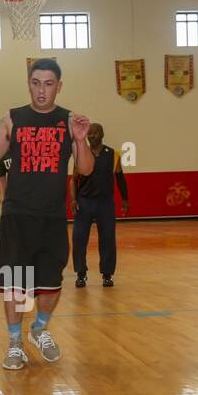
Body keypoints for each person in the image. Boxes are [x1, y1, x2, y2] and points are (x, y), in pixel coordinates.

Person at [0, 59, 91, 370]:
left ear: (58, 86)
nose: (42, 90)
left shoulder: (69, 121)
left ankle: (38, 330)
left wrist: (80, 139)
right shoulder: (13, 118)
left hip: (51, 218)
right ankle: (14, 343)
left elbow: (85, 168)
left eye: (49, 84)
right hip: (17, 216)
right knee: (14, 284)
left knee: (51, 285)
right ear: (29, 84)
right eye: (36, 83)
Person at [72, 123, 129, 287]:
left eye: (95, 133)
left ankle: (107, 274)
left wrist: (125, 199)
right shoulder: (81, 154)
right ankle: (81, 273)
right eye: (89, 134)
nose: (91, 136)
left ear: (102, 134)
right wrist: (74, 199)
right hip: (84, 202)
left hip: (105, 203)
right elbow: (73, 180)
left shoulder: (113, 154)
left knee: (108, 239)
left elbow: (120, 178)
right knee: (79, 239)